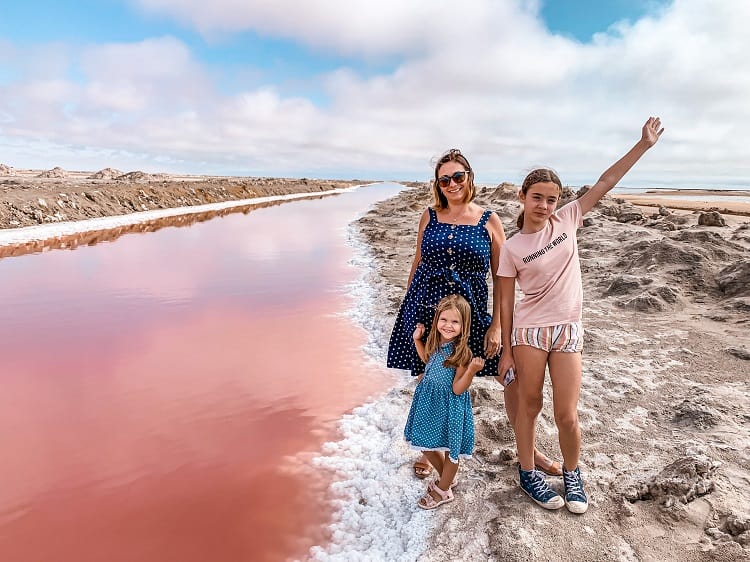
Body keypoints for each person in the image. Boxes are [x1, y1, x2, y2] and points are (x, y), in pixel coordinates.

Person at [497, 117, 664, 513]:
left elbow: (605, 183)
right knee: (529, 405)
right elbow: (504, 302)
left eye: (551, 199)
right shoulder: (512, 247)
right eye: (537, 197)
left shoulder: (568, 219)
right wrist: (505, 350)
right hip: (530, 333)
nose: (544, 205)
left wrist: (643, 145)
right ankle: (527, 473)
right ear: (522, 197)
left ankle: (573, 474)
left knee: (567, 414)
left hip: (568, 331)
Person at [387, 148, 562, 480]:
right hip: (429, 309)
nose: (452, 184)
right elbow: (417, 262)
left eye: (457, 176)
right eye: (444, 179)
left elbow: (501, 275)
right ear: (438, 184)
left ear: (469, 177)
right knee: (431, 379)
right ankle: (430, 448)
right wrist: (409, 308)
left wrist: (496, 324)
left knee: (510, 378)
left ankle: (530, 449)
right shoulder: (429, 215)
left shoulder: (488, 219)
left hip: (472, 313)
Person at [403, 294, 485, 509]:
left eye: (455, 322)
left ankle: (443, 491)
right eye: (444, 320)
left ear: (464, 325)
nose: (448, 326)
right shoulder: (435, 340)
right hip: (429, 403)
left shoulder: (462, 353)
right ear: (437, 319)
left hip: (450, 405)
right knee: (424, 443)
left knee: (451, 449)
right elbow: (426, 359)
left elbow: (458, 389)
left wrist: (471, 371)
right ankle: (446, 478)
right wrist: (417, 340)